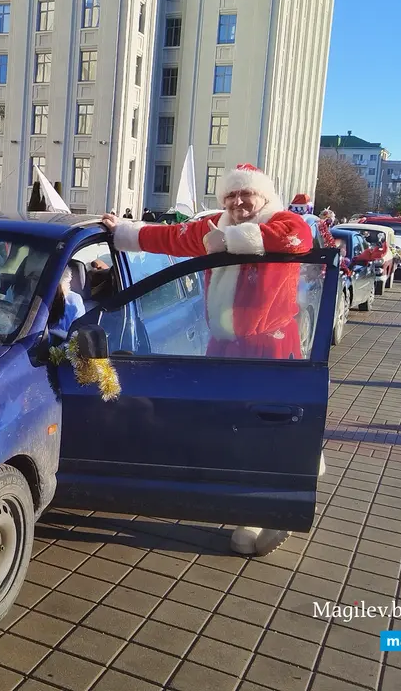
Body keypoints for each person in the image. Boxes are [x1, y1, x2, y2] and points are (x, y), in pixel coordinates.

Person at [102, 163, 323, 558]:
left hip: (270, 344)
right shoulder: (211, 229)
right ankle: (247, 509)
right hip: (225, 347)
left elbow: (297, 240)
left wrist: (230, 240)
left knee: (269, 428)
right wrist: (123, 231)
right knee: (230, 426)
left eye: (246, 195)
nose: (238, 203)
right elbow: (170, 237)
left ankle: (272, 510)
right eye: (230, 196)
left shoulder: (285, 220)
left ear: (263, 196)